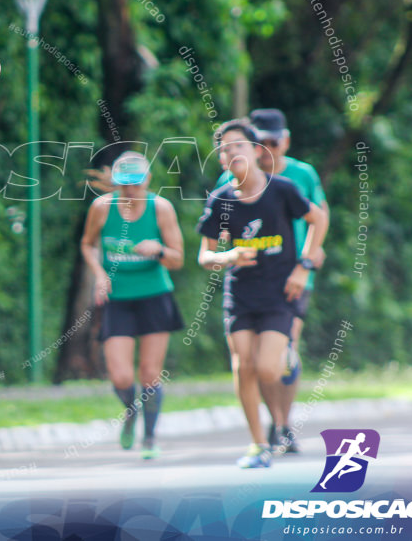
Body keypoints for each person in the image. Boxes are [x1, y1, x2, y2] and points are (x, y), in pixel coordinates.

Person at [197, 120, 326, 468]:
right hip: (240, 294)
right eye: (223, 149)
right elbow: (205, 256)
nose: (230, 152)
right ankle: (257, 445)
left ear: (256, 151)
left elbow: (319, 220)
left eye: (237, 145)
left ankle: (287, 357)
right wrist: (229, 256)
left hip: (280, 293)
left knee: (269, 370)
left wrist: (303, 266)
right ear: (221, 159)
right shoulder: (221, 200)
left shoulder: (282, 189)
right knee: (244, 366)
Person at [81, 152, 185, 460]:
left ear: (147, 181)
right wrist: (99, 274)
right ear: (115, 184)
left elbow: (178, 259)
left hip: (154, 296)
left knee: (150, 374)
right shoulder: (101, 208)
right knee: (121, 377)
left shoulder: (161, 209)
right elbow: (87, 244)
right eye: (124, 185)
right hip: (118, 300)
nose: (130, 191)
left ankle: (150, 438)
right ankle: (131, 412)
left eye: (136, 185)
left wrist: (160, 250)